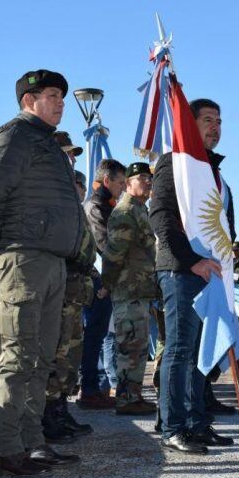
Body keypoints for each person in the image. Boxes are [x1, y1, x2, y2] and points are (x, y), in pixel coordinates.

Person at [0, 69, 82, 475]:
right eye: (51, 95)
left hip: (51, 261)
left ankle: (33, 441)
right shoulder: (15, 136)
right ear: (28, 100)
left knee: (41, 357)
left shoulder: (46, 143)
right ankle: (7, 448)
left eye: (61, 97)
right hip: (23, 258)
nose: (60, 103)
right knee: (17, 357)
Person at [150, 98, 235, 454]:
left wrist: (228, 264)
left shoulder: (214, 172)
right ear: (189, 124)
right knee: (180, 349)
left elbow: (223, 225)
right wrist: (191, 261)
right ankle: (173, 426)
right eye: (207, 120)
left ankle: (198, 423)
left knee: (204, 352)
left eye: (219, 121)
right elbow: (161, 216)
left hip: (212, 274)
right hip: (182, 271)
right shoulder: (175, 164)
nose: (215, 127)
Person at [41, 164, 96, 443]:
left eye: (83, 187)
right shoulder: (60, 211)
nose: (80, 190)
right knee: (57, 355)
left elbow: (87, 254)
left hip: (76, 296)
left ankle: (62, 408)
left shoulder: (77, 213)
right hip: (62, 294)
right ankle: (49, 415)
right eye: (76, 185)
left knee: (71, 357)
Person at [103, 161, 158, 415]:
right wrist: (108, 283)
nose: (147, 182)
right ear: (128, 183)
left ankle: (133, 395)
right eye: (141, 178)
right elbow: (114, 254)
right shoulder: (125, 211)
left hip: (141, 289)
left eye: (149, 178)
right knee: (129, 346)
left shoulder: (140, 210)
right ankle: (126, 399)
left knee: (138, 346)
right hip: (128, 290)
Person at [79, 158, 127, 410]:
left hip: (102, 279)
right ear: (107, 181)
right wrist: (109, 280)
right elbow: (104, 246)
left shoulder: (106, 204)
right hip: (97, 281)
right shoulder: (96, 205)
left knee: (98, 335)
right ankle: (88, 389)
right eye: (120, 182)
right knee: (94, 335)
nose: (123, 188)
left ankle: (94, 387)